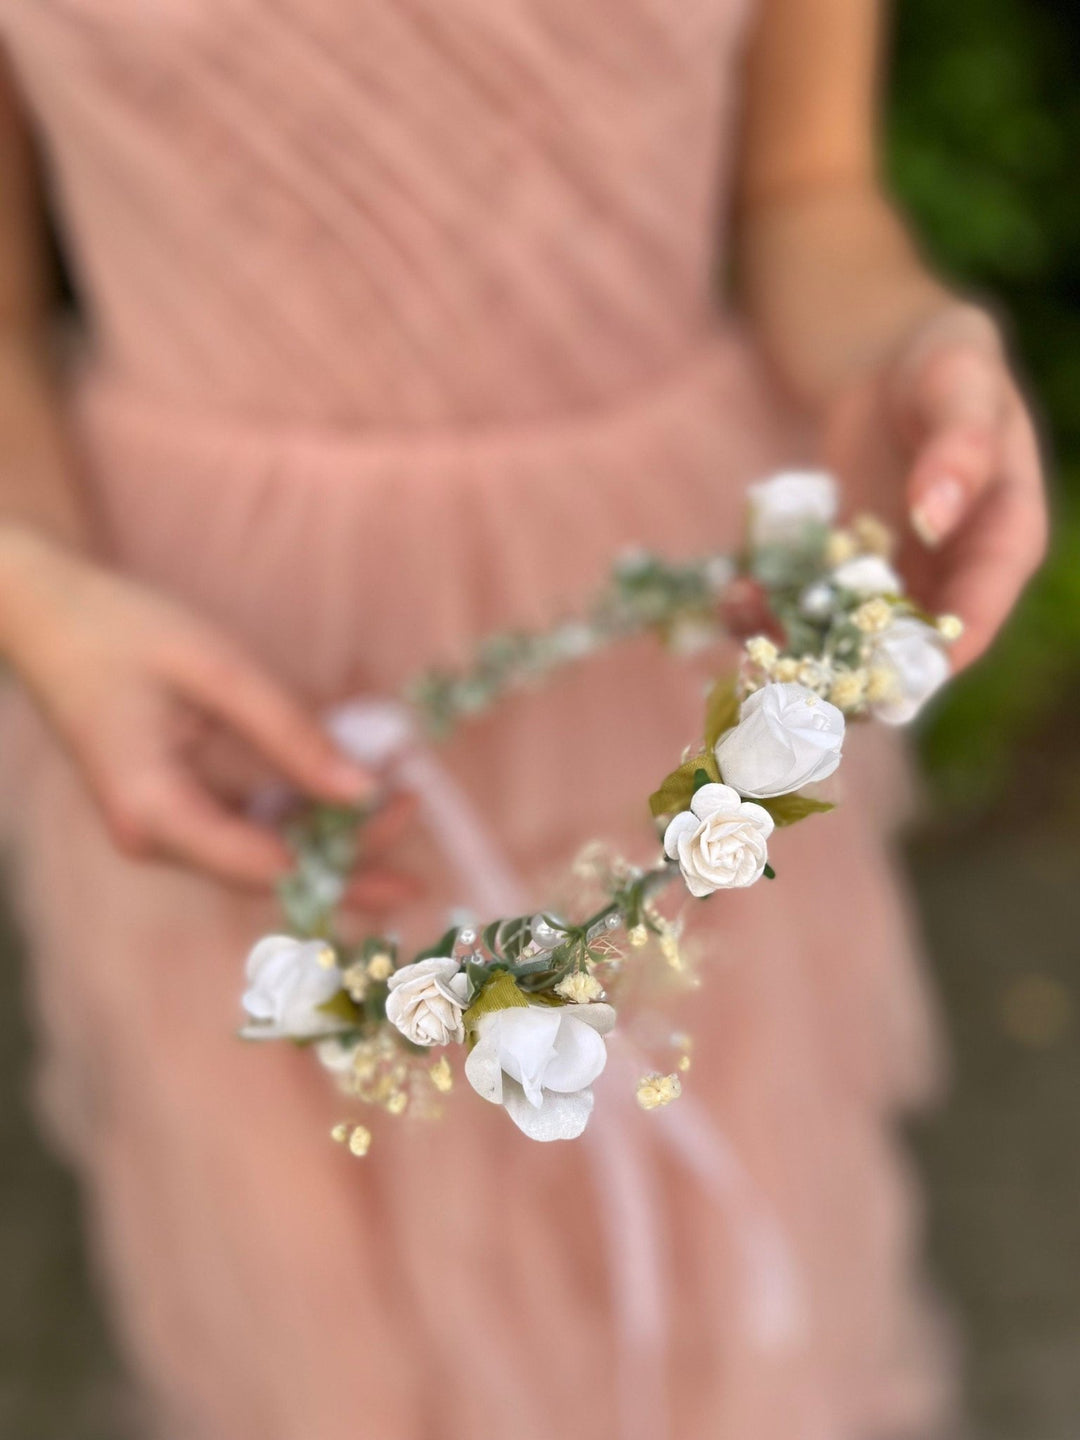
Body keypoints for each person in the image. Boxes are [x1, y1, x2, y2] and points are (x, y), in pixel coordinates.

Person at [0, 2, 1045, 1437]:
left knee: (708, 1316)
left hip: (656, 637)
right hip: (210, 665)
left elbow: (805, 192)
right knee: (319, 1328)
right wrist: (33, 588)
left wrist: (911, 348)